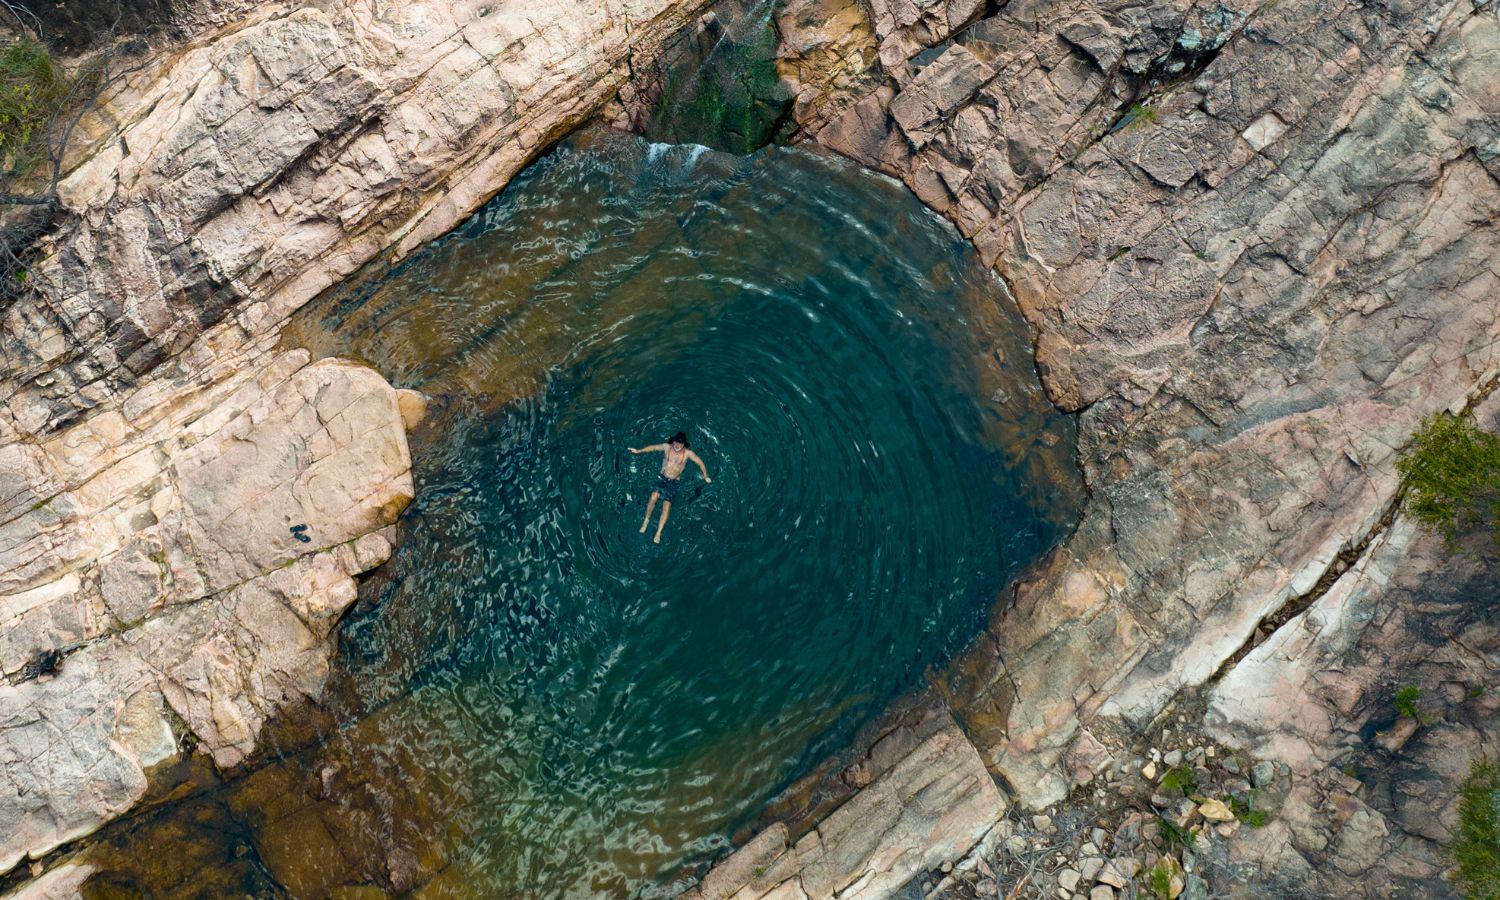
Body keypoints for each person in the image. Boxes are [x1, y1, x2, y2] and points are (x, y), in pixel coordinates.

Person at [629, 431, 711, 543]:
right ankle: (646, 521)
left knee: (666, 506)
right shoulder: (666, 447)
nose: (677, 445)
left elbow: (700, 462)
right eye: (676, 442)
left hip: (674, 482)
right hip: (662, 477)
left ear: (684, 444)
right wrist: (639, 451)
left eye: (680, 444)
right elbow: (653, 448)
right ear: (673, 441)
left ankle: (658, 533)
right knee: (653, 497)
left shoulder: (688, 453)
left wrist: (705, 476)